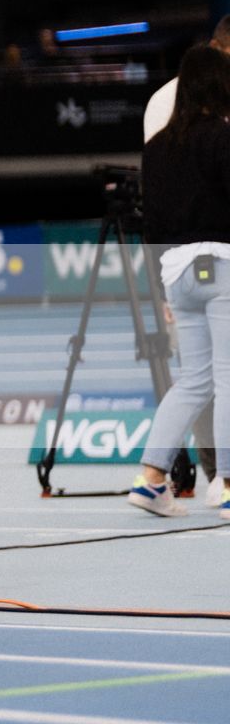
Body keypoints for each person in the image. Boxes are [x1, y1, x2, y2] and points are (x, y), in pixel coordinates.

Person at [133, 44, 230, 518]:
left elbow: (149, 224)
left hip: (175, 273)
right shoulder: (221, 137)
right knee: (228, 375)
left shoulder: (156, 149)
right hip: (219, 264)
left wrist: (161, 285)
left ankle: (151, 478)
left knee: (193, 379)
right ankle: (229, 484)